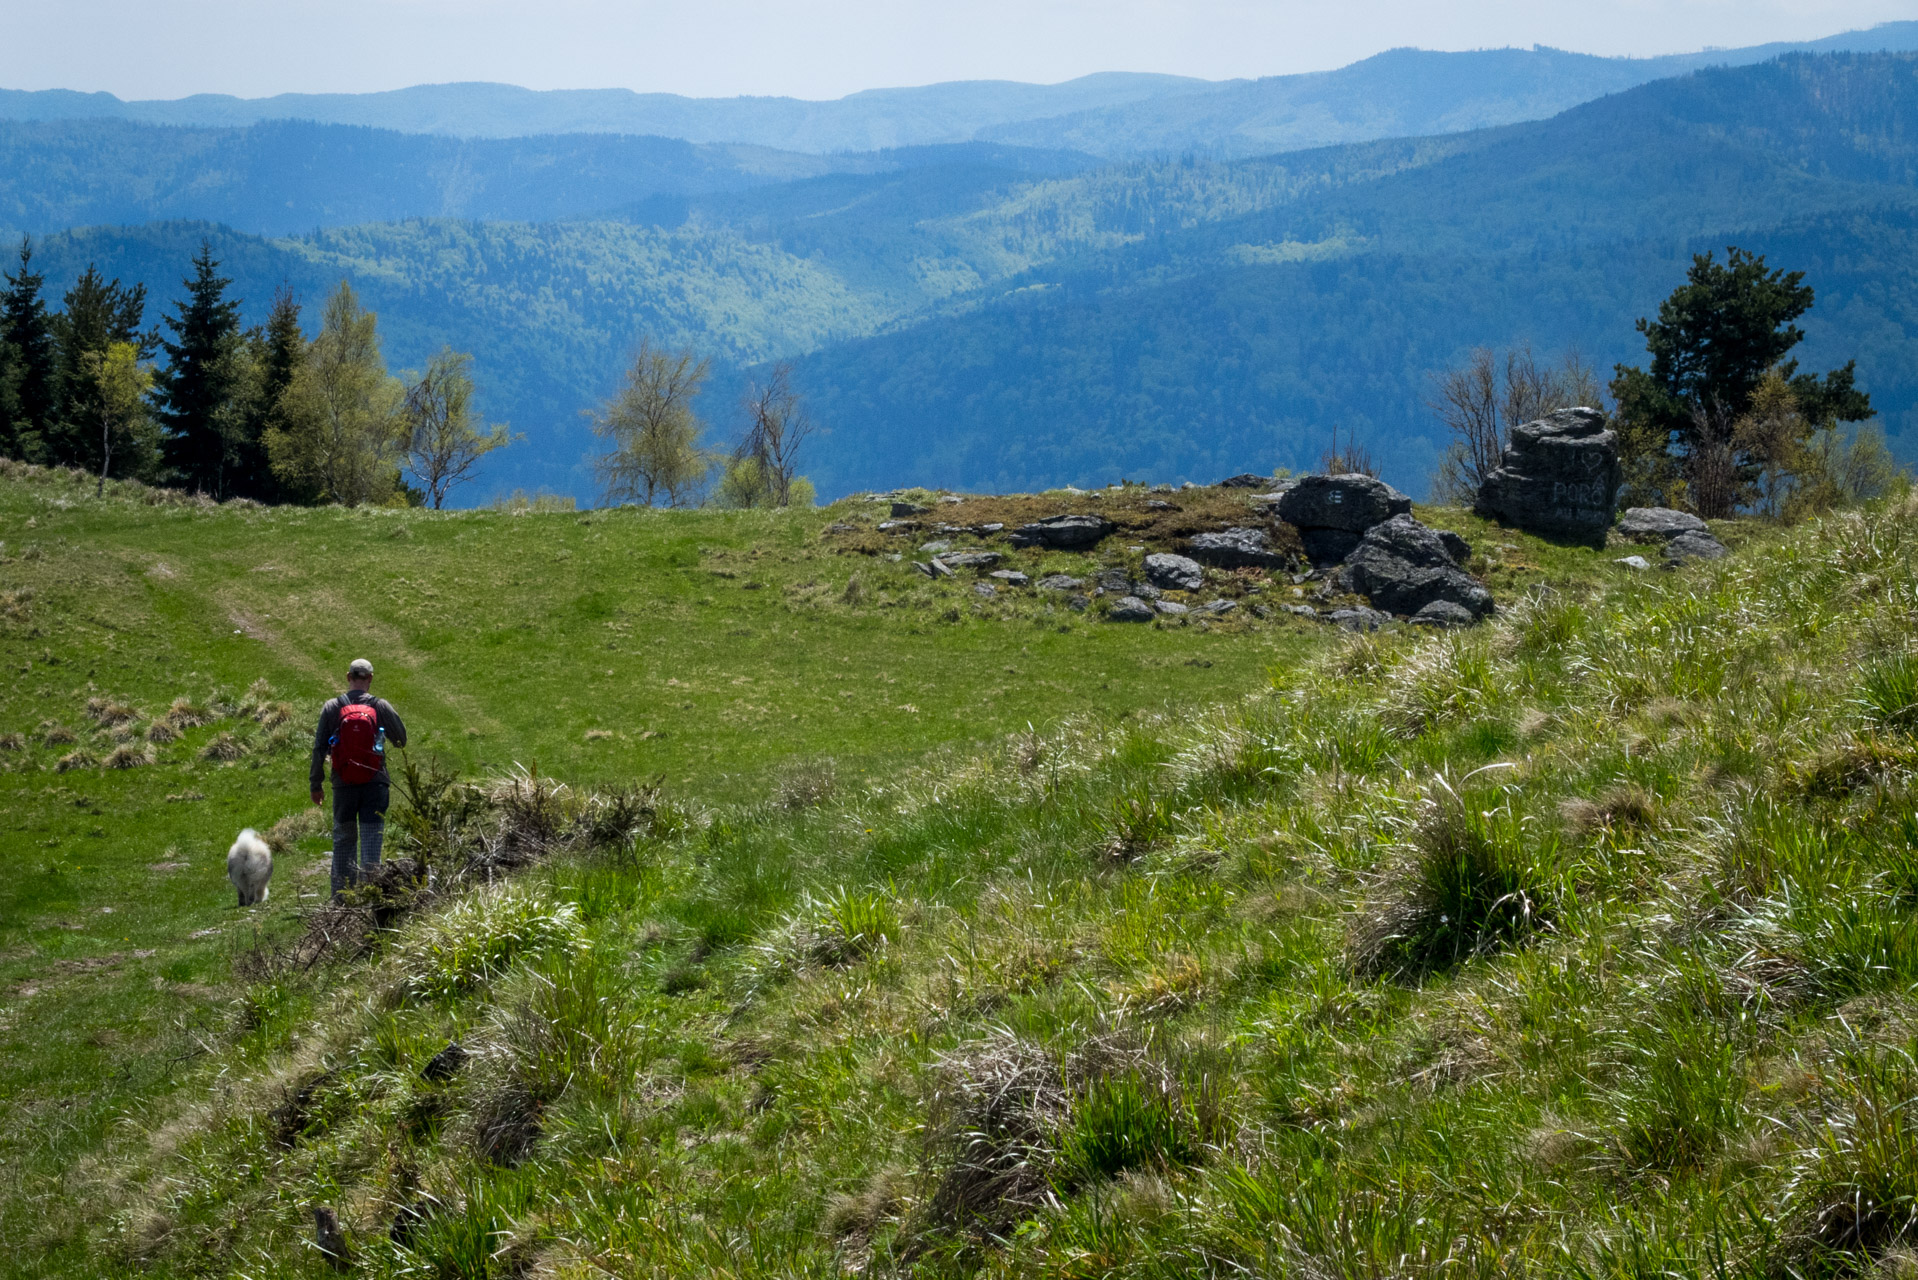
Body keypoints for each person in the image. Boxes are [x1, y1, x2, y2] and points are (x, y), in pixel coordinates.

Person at [310, 658, 407, 898]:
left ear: (348, 677)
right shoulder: (380, 706)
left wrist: (316, 784)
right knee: (371, 841)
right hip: (375, 784)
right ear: (370, 678)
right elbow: (401, 740)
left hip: (343, 785)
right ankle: (371, 898)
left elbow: (319, 748)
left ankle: (342, 901)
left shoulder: (332, 707)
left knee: (344, 841)